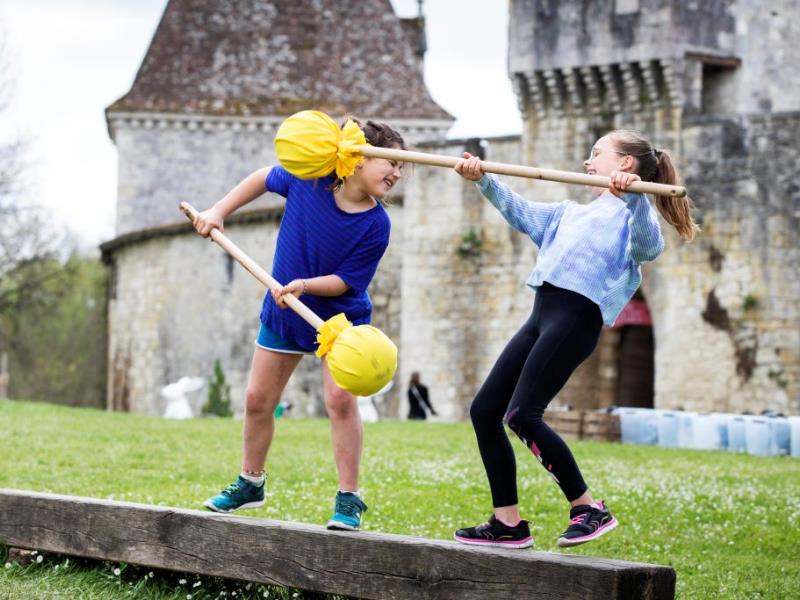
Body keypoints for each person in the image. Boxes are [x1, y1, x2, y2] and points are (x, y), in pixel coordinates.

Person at [452, 130, 698, 549]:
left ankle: (589, 508)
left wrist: (637, 197)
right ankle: (507, 522)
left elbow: (647, 248)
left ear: (625, 165)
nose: (588, 162)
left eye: (597, 154)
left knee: (522, 416)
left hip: (576, 319)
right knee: (485, 411)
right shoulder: (569, 213)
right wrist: (483, 180)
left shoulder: (633, 218)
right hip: (541, 315)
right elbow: (520, 211)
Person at [192, 119, 406, 531]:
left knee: (341, 403)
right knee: (257, 399)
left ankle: (349, 498)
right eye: (391, 162)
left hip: (342, 321)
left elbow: (348, 281)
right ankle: (250, 482)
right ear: (357, 157)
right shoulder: (310, 179)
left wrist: (305, 285)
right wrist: (218, 211)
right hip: (284, 313)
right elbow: (263, 177)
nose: (397, 173)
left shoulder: (377, 224)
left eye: (401, 166)